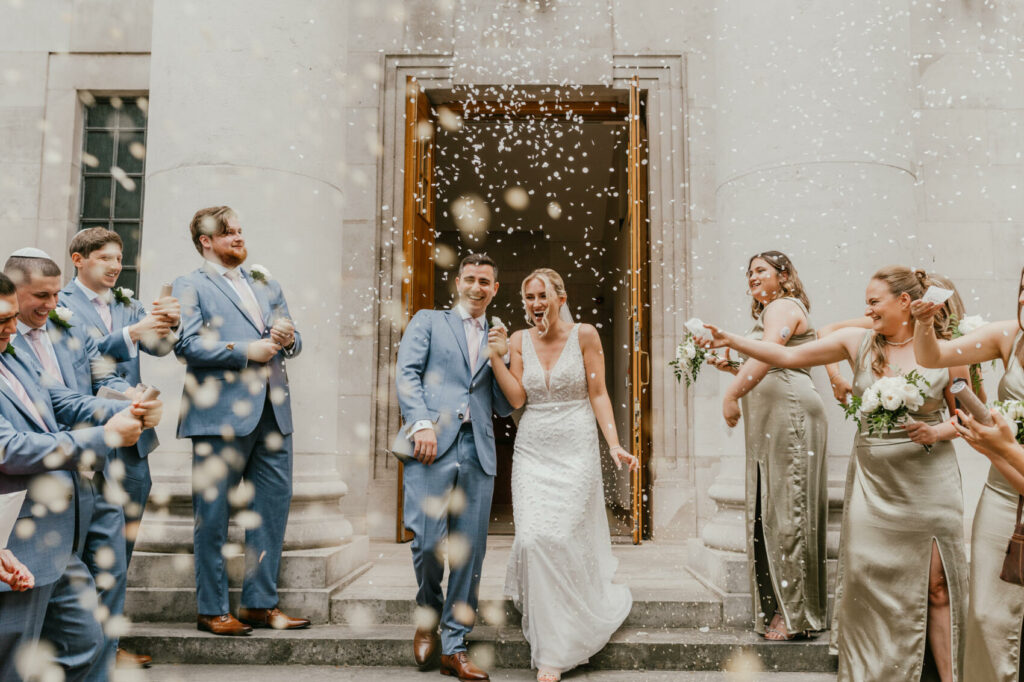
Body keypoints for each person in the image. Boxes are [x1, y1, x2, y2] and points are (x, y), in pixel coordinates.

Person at [700, 266, 969, 682]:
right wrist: (733, 340)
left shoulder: (948, 350)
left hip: (929, 479)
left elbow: (967, 419)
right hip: (874, 483)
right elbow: (787, 356)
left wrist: (935, 429)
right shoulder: (856, 343)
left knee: (937, 586)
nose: (867, 309)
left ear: (904, 302)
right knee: (868, 583)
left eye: (875, 301)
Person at [0, 271, 158, 682]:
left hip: (58, 533)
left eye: (11, 318)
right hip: (15, 538)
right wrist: (104, 436)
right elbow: (10, 448)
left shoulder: (11, 353)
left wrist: (128, 410)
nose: (11, 329)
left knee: (85, 640)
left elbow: (63, 399)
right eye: (1, 321)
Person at [488, 268, 635, 682]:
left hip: (576, 448)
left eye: (542, 296)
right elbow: (516, 397)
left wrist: (613, 444)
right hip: (533, 448)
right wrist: (495, 359)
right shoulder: (517, 340)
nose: (536, 304)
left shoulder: (584, 334)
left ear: (560, 297)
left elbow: (599, 393)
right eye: (529, 298)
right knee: (534, 539)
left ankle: (557, 649)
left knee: (563, 536)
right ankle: (552, 634)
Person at [173, 205, 308, 636]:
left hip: (274, 413)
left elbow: (294, 340)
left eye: (239, 230)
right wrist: (245, 350)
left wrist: (288, 339)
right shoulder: (189, 284)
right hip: (219, 416)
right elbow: (187, 345)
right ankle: (212, 609)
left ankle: (258, 604)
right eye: (226, 232)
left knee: (270, 514)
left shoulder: (267, 283)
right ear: (205, 242)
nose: (237, 237)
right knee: (211, 517)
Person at [392, 252, 514, 681]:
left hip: (479, 451)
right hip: (431, 445)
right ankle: (428, 614)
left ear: (494, 289)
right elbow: (406, 374)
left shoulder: (500, 335)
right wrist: (420, 423)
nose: (477, 287)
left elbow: (503, 404)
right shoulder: (428, 321)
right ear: (457, 283)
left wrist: (502, 358)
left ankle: (455, 644)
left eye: (485, 281)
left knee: (471, 551)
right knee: (426, 541)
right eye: (470, 279)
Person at [705, 252, 828, 641]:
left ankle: (794, 614)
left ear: (785, 275)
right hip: (770, 418)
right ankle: (781, 606)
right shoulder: (769, 313)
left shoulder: (782, 307)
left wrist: (731, 393)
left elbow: (770, 360)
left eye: (761, 270)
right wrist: (730, 367)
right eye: (749, 272)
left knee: (788, 509)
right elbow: (763, 360)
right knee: (771, 510)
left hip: (788, 412)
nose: (752, 277)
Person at [912, 267, 1024, 682]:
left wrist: (1005, 446)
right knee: (988, 615)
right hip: (1001, 493)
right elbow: (932, 357)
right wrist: (924, 323)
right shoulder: (1009, 336)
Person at [821, 272, 984, 403]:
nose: (926, 310)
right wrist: (836, 378)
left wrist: (974, 368)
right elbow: (827, 330)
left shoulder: (954, 345)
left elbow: (976, 404)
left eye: (936, 306)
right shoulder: (883, 325)